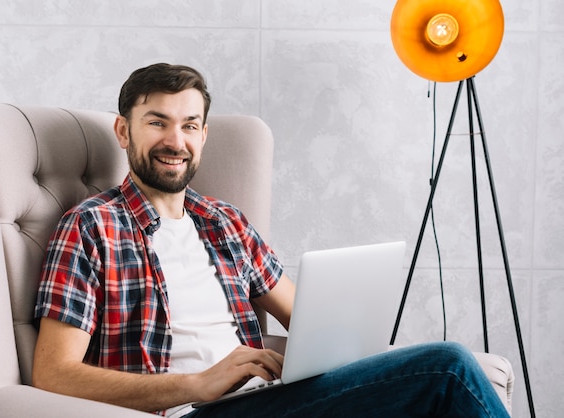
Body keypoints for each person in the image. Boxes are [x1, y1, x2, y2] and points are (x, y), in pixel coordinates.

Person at [32, 63, 510, 418]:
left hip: (265, 401)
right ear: (124, 131)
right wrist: (196, 384)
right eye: (157, 122)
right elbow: (53, 374)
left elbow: (309, 320)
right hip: (190, 411)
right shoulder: (92, 226)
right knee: (448, 368)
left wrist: (345, 344)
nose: (175, 140)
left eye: (190, 125)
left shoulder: (224, 222)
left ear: (203, 136)